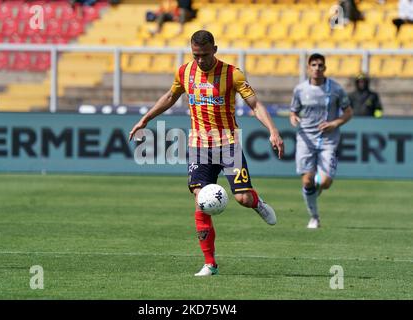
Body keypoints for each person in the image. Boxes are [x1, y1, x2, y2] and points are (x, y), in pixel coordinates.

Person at [129, 30, 284, 276]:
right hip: (199, 146)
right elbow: (170, 96)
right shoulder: (184, 72)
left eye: (204, 54)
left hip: (228, 143)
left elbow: (255, 104)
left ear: (215, 49)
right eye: (196, 54)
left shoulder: (232, 73)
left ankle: (256, 202)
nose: (200, 60)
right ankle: (210, 263)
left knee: (242, 198)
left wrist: (273, 130)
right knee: (200, 201)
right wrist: (146, 119)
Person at [290, 53, 353, 229]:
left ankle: (314, 189)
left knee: (325, 182)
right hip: (306, 139)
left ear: (324, 68)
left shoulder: (336, 89)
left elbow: (348, 112)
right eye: (314, 65)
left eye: (320, 65)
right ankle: (314, 217)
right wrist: (293, 118)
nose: (317, 68)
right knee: (307, 180)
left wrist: (335, 123)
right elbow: (293, 111)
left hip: (328, 140)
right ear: (308, 68)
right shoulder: (300, 90)